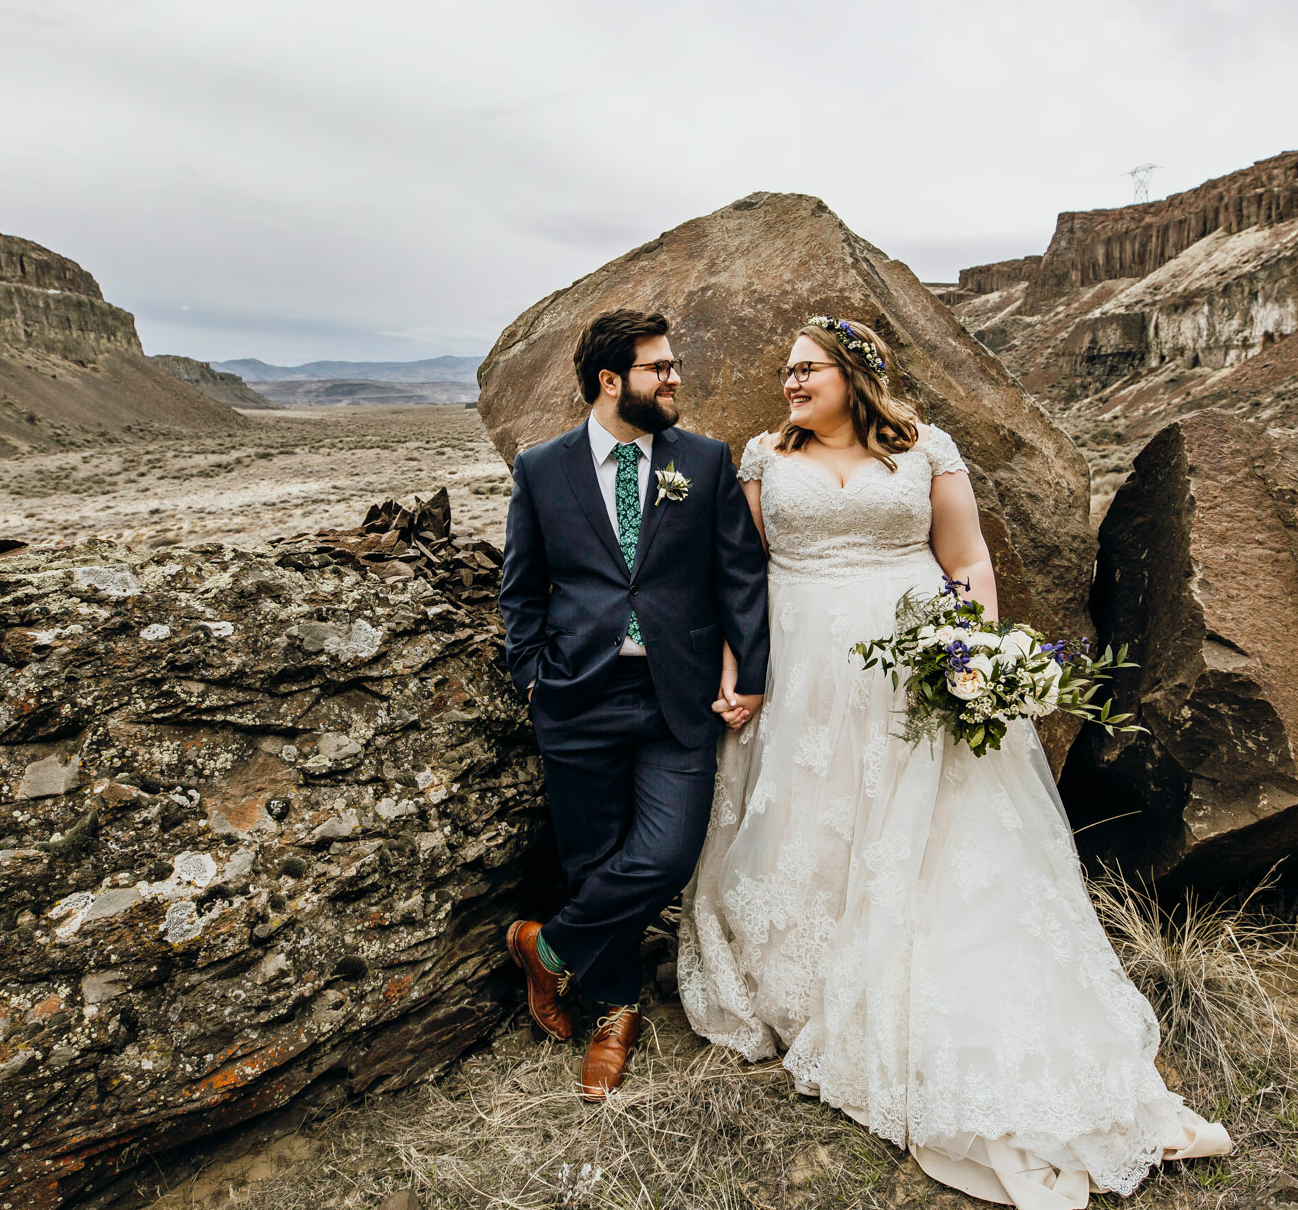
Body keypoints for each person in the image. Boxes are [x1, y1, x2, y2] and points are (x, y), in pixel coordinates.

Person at [678, 317, 1231, 1208]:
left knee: (937, 849)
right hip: (805, 674)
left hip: (912, 672)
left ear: (855, 374)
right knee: (811, 828)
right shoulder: (762, 460)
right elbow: (736, 574)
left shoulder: (927, 448)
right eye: (785, 369)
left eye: (806, 368)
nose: (789, 382)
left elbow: (966, 559)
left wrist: (971, 656)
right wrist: (741, 673)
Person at [498, 308, 770, 1101]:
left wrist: (747, 669)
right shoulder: (541, 468)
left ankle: (545, 949)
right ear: (611, 381)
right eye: (659, 367)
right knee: (592, 857)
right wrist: (532, 674)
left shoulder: (705, 462)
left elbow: (740, 576)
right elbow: (521, 587)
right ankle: (615, 1012)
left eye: (673, 364)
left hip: (675, 696)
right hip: (575, 695)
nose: (675, 377)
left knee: (665, 853)